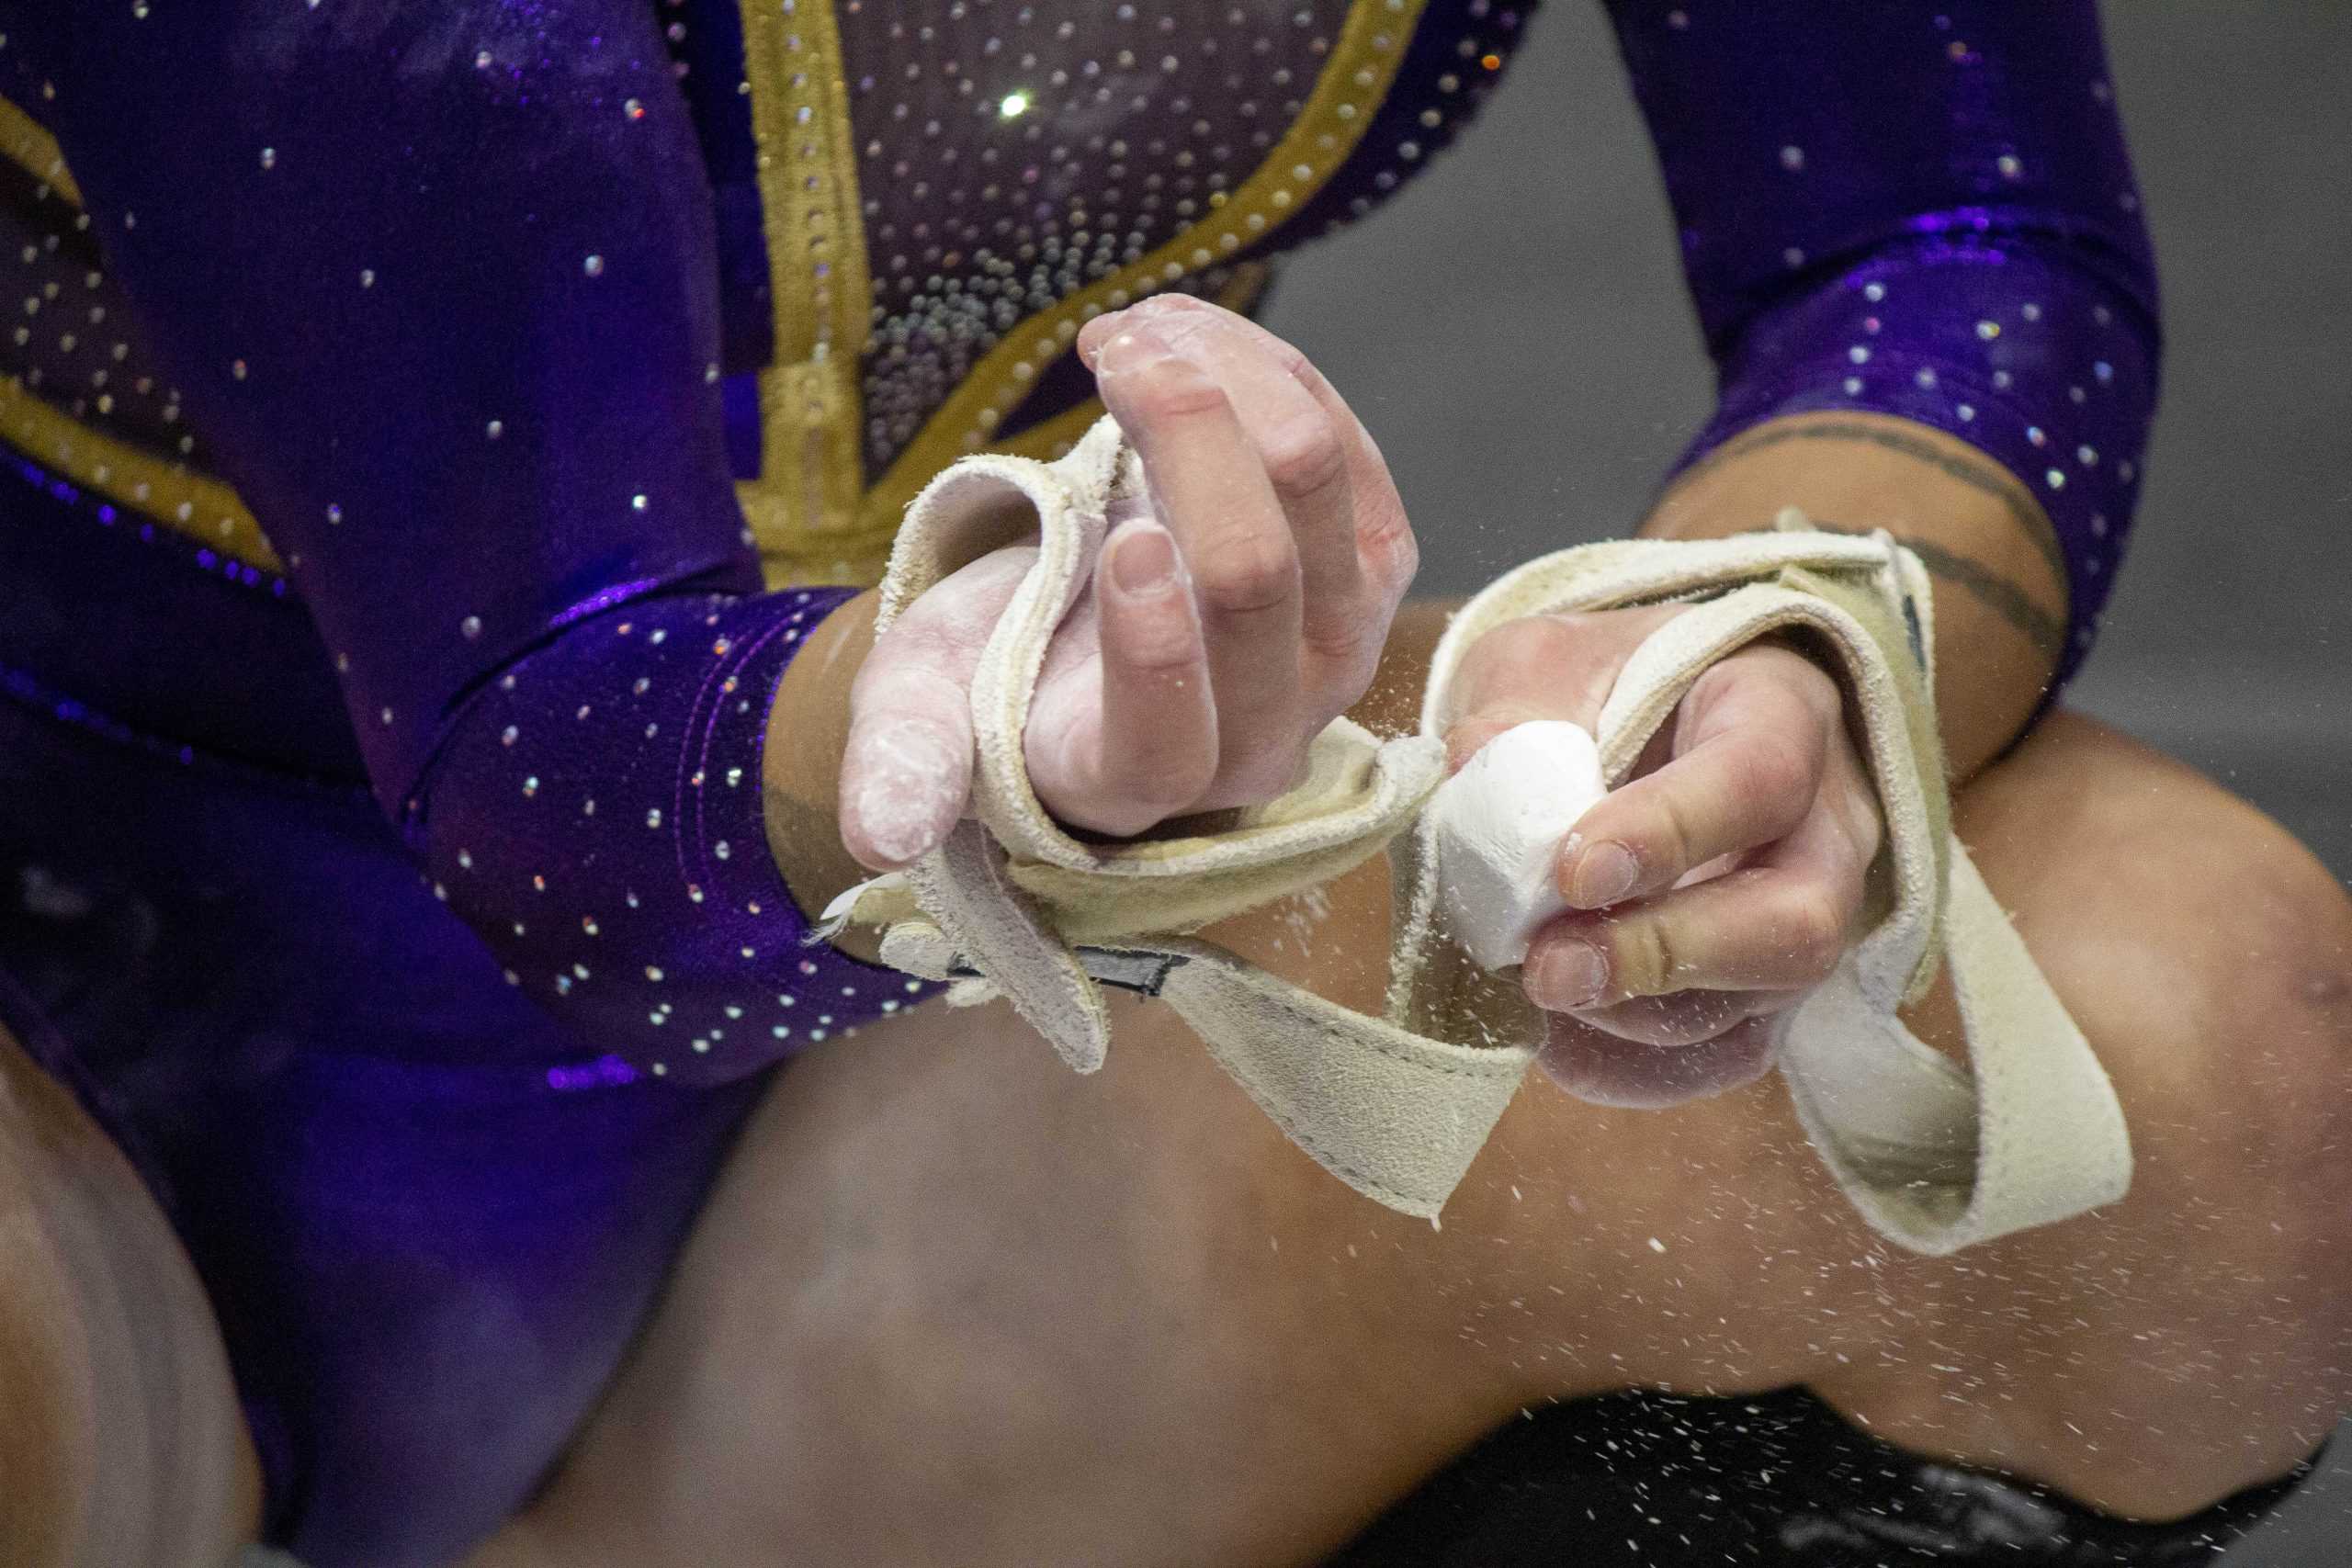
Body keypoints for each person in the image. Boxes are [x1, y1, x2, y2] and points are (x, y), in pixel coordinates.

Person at [0, 2, 2345, 1564]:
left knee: (2200, 1066)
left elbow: (1945, 238)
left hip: (953, 971)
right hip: (98, 1002)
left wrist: (1778, 642)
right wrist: (980, 745)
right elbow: (540, 770)